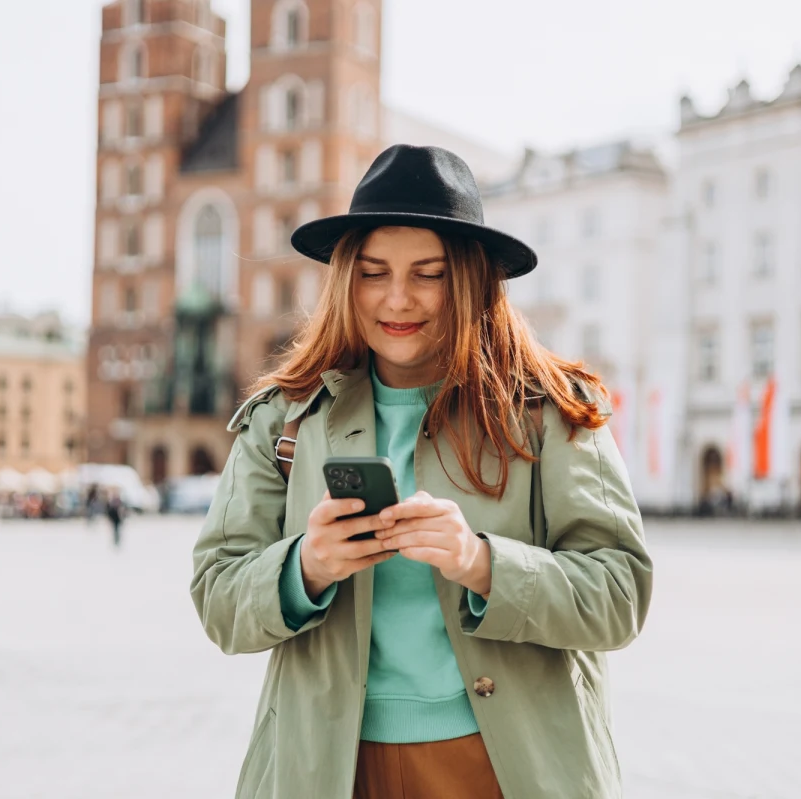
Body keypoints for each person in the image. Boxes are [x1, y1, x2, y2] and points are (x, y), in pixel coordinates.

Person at [191, 145, 653, 798]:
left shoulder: (551, 409)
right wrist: (305, 566)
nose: (398, 298)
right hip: (328, 767)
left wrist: (483, 562)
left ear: (467, 277)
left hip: (505, 766)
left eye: (428, 273)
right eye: (374, 271)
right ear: (347, 277)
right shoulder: (283, 416)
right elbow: (217, 594)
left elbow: (621, 594)